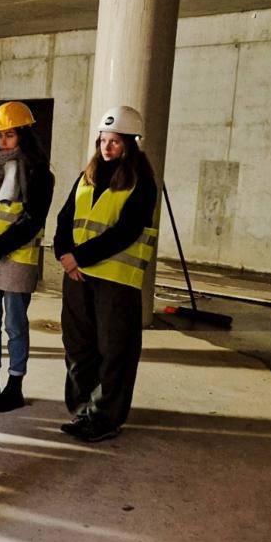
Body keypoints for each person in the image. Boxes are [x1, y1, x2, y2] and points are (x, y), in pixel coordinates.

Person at [53, 105, 158, 442]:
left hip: (114, 279)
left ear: (130, 143)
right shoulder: (87, 177)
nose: (107, 147)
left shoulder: (141, 183)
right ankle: (83, 411)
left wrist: (78, 257)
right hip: (78, 276)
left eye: (115, 141)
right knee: (78, 346)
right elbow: (65, 218)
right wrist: (63, 254)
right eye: (103, 140)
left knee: (115, 351)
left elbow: (125, 231)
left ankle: (105, 418)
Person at [0, 102, 54, 413]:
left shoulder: (39, 173)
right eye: (0, 135)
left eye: (10, 134)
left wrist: (1, 246)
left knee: (15, 325)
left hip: (17, 258)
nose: (4, 141)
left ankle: (14, 385)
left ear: (25, 136)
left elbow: (33, 218)